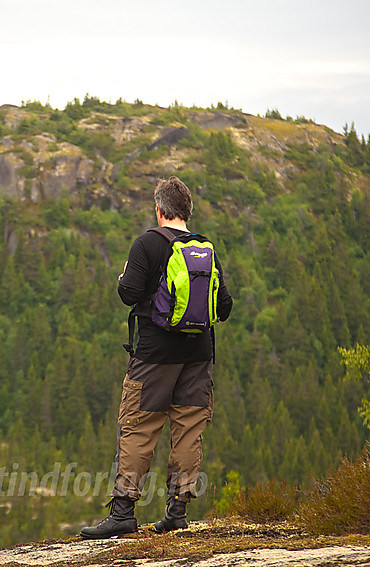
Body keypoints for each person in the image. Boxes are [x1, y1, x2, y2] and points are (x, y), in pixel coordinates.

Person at [81, 176, 233, 539]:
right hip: (198, 356)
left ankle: (122, 513)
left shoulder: (147, 244)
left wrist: (122, 278)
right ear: (187, 212)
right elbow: (224, 308)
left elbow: (129, 292)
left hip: (154, 356)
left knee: (138, 427)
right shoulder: (205, 249)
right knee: (188, 432)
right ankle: (177, 512)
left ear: (160, 210)